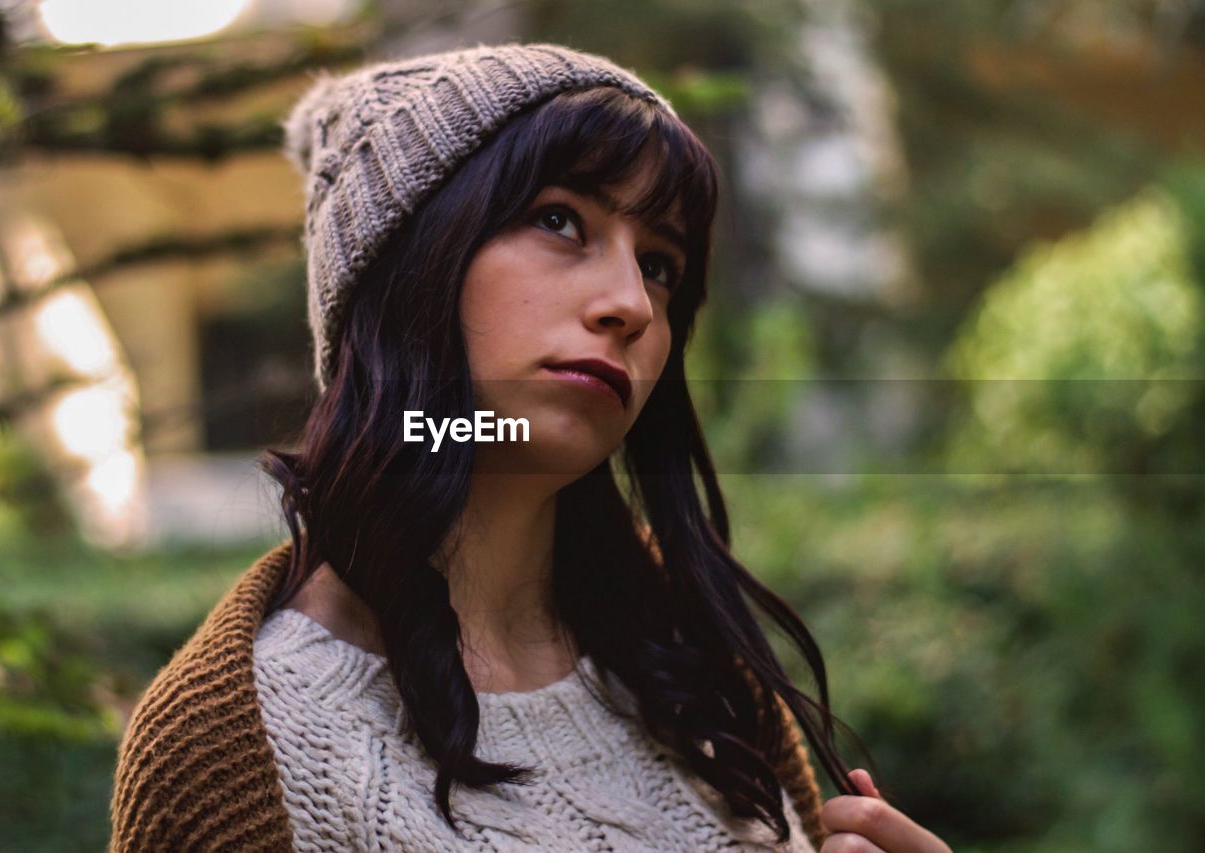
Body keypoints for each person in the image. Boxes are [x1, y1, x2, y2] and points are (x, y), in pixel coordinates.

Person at [109, 42, 952, 852]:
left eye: (660, 263)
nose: (631, 302)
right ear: (407, 268)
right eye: (559, 220)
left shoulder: (697, 663)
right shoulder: (232, 748)